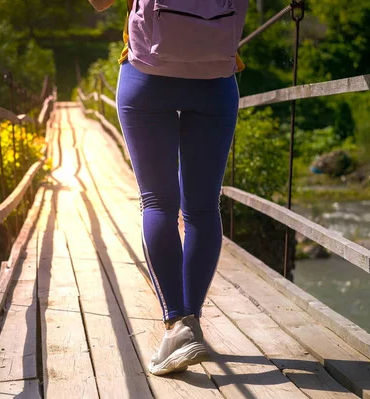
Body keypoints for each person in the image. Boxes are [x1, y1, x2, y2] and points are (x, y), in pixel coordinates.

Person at [88, 0, 248, 376]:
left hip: (147, 77)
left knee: (158, 202)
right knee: (203, 208)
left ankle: (177, 323)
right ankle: (189, 325)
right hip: (215, 81)